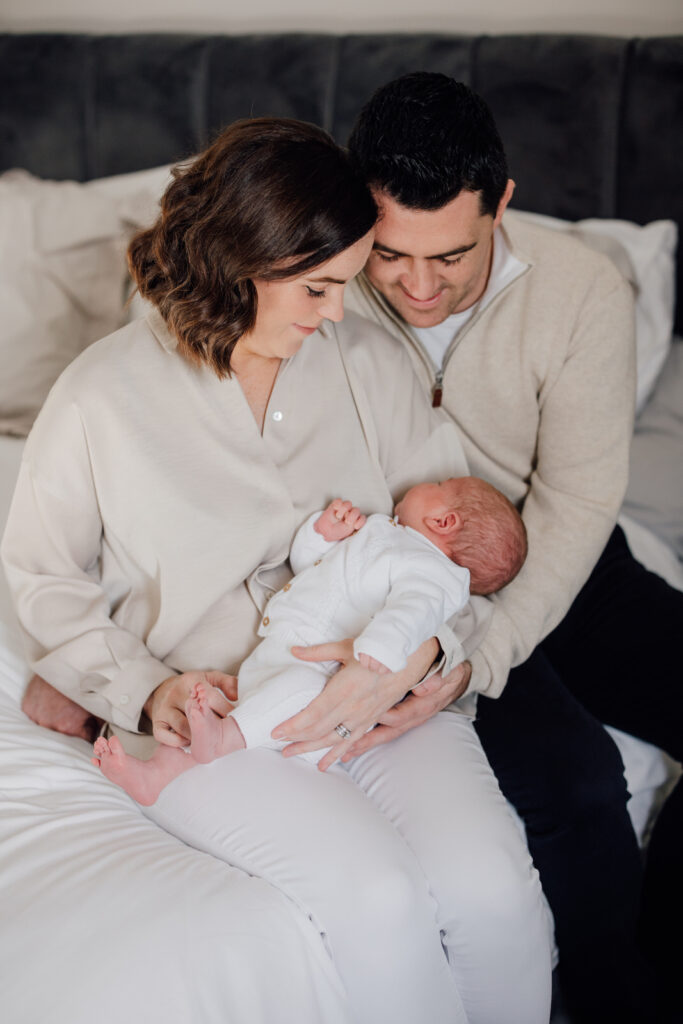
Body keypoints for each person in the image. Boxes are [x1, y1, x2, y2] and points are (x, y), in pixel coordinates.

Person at [2, 117, 553, 1024]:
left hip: (380, 702)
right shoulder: (100, 394)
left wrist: (432, 662)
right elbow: (45, 582)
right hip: (221, 722)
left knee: (493, 892)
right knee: (375, 902)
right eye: (319, 287)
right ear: (238, 261)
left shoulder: (369, 365)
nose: (339, 312)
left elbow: (450, 548)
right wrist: (146, 692)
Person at [315, 71, 683, 1023]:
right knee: (577, 785)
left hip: (563, 557)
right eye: (391, 255)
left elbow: (573, 499)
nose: (419, 286)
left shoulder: (581, 288)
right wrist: (454, 642)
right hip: (419, 584)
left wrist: (486, 650)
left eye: (452, 256)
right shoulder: (317, 288)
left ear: (502, 205)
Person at [92, 476, 527, 801]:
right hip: (283, 644)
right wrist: (323, 534)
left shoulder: (437, 574)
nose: (427, 480)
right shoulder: (382, 532)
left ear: (443, 520)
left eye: (439, 483)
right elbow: (311, 567)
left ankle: (221, 741)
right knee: (213, 702)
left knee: (283, 695)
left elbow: (414, 612)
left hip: (324, 671)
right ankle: (155, 776)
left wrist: (380, 647)